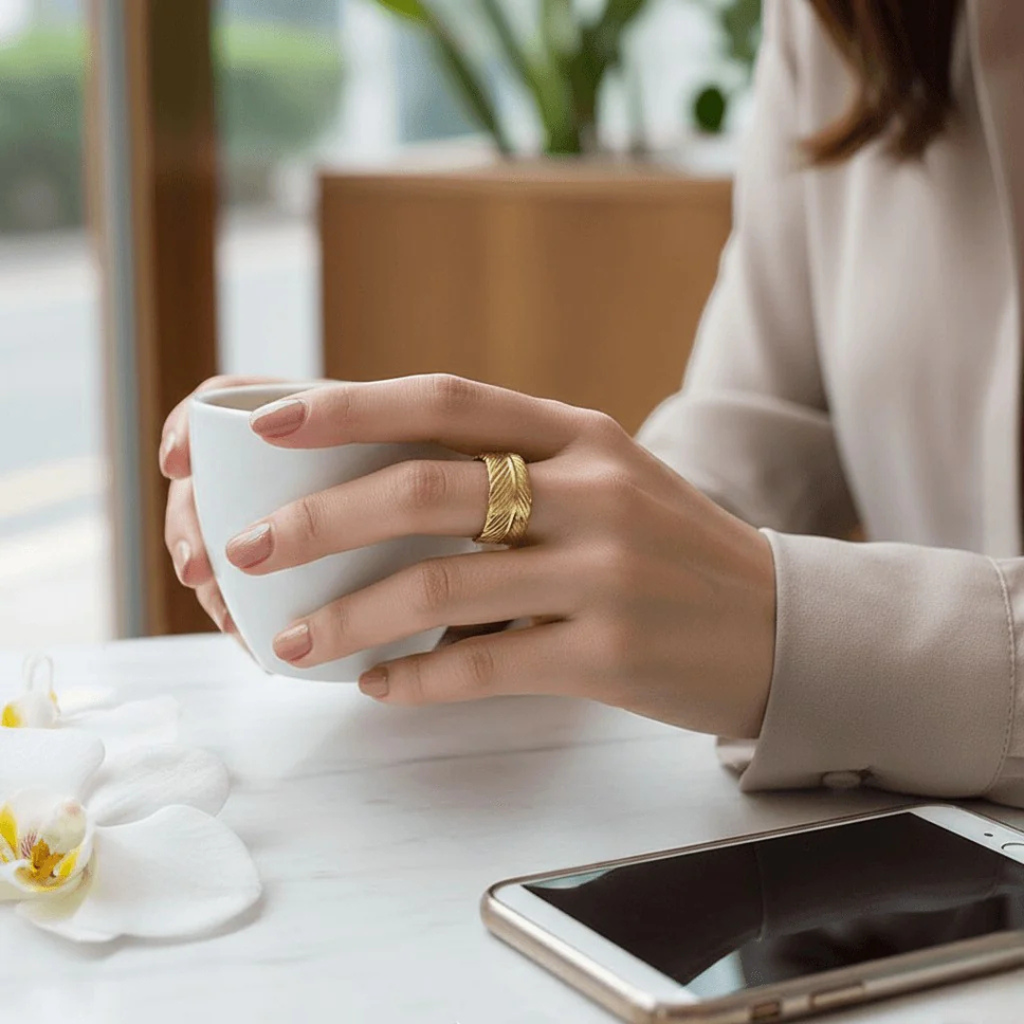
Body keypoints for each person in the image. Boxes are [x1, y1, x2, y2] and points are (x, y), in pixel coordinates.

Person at [160, 0, 1024, 808]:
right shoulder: (847, 21)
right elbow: (746, 439)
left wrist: (803, 636)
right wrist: (479, 545)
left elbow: (752, 596)